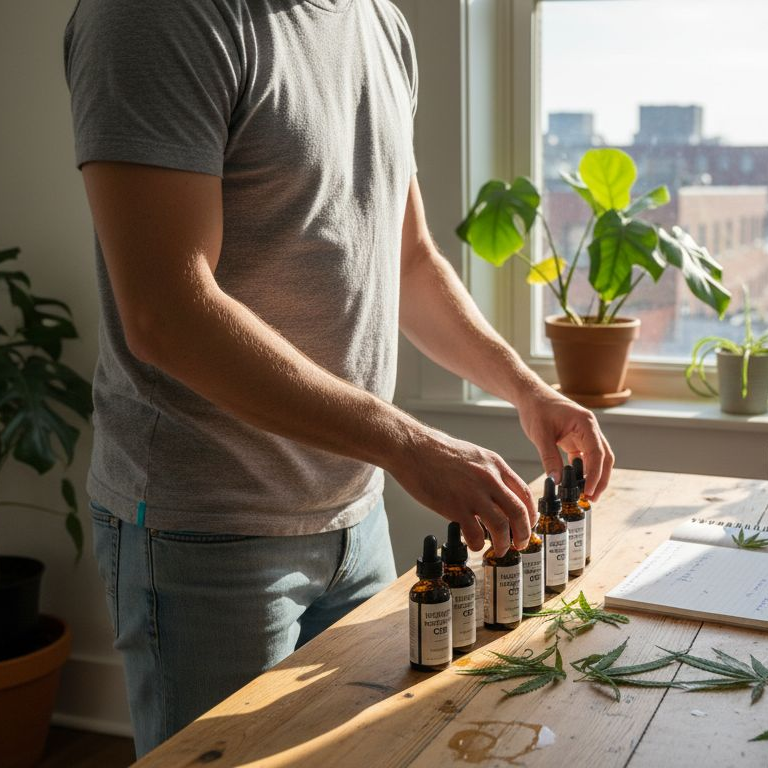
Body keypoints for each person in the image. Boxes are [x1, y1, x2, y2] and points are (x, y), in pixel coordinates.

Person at [64, 0, 613, 755]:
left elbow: (409, 259)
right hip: (207, 531)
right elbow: (167, 312)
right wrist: (408, 445)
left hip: (356, 520)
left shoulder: (378, 21)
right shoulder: (156, 17)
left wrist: (525, 386)